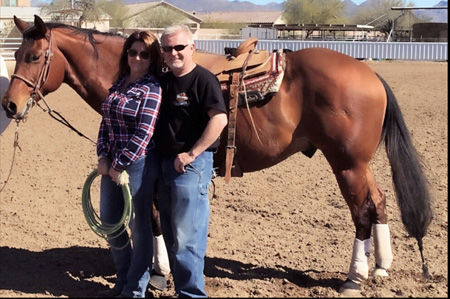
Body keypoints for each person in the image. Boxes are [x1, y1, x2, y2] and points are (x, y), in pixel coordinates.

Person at [154, 24, 228, 297]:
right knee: (172, 236)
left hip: (190, 167)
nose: (173, 53)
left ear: (192, 48)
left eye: (179, 47)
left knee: (187, 238)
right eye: (167, 48)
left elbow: (219, 119)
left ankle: (191, 294)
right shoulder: (163, 81)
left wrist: (192, 153)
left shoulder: (203, 80)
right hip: (165, 164)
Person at [96, 30, 163, 298]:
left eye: (144, 54)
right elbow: (105, 123)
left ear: (152, 57)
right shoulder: (119, 84)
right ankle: (122, 279)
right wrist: (103, 156)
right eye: (133, 52)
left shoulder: (152, 88)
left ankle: (136, 288)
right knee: (110, 223)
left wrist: (120, 164)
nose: (137, 57)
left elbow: (144, 133)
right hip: (112, 162)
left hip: (138, 165)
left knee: (138, 226)